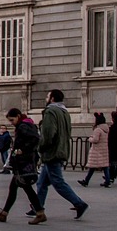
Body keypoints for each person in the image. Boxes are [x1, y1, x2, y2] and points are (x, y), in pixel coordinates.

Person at [34, 89, 89, 220]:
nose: (46, 99)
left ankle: (79, 203)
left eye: (47, 96)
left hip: (52, 152)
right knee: (41, 183)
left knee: (58, 182)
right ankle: (37, 207)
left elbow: (48, 134)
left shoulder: (50, 111)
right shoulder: (65, 112)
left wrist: (41, 147)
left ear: (52, 99)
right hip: (61, 149)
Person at [0, 107, 47, 224]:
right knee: (14, 188)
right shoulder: (26, 124)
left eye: (12, 120)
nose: (11, 123)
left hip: (23, 162)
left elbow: (35, 139)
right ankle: (4, 213)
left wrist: (22, 149)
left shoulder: (23, 126)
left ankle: (40, 212)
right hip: (23, 162)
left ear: (18, 116)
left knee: (26, 188)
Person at [79, 112, 111, 187]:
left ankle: (86, 181)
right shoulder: (106, 129)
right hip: (104, 150)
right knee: (105, 166)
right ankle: (107, 181)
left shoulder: (98, 130)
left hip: (97, 151)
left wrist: (90, 138)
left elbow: (95, 140)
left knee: (92, 167)